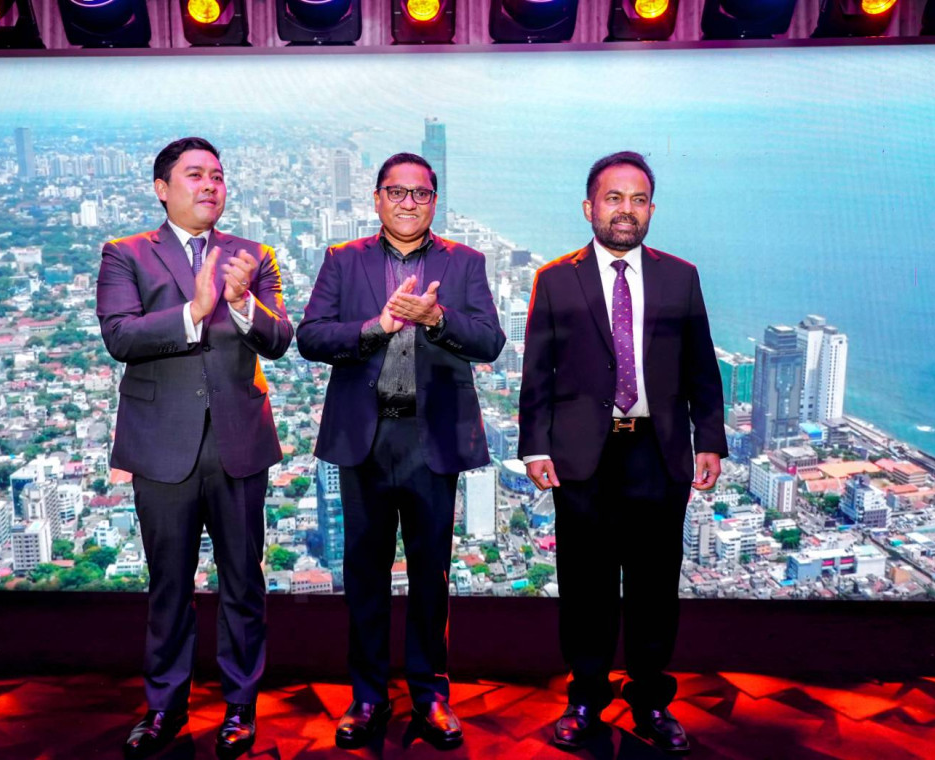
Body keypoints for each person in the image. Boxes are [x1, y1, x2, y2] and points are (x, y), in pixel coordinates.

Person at [518, 151, 726, 755]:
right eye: (614, 198)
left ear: (652, 210)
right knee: (586, 589)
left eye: (638, 200)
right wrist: (534, 448)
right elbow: (537, 373)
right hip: (582, 459)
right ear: (589, 207)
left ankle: (652, 701)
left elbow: (701, 366)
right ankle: (585, 698)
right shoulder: (556, 278)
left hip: (658, 455)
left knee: (654, 589)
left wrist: (710, 440)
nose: (625, 210)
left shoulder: (680, 277)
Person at [297, 153, 505, 750]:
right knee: (364, 574)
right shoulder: (343, 259)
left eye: (421, 193)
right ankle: (366, 697)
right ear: (377, 198)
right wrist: (376, 328)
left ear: (434, 200)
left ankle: (430, 695)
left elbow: (490, 341)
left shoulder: (465, 262)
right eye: (397, 192)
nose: (408, 202)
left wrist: (437, 318)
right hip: (364, 438)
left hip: (431, 438)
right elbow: (311, 336)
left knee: (429, 576)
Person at [96, 136, 293, 760]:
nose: (210, 185)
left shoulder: (253, 256)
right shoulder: (126, 253)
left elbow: (280, 339)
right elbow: (120, 337)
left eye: (218, 175)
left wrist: (241, 304)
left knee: (243, 584)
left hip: (239, 442)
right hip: (161, 445)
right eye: (195, 175)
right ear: (162, 189)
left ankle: (240, 707)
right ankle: (164, 708)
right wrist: (195, 310)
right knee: (169, 585)